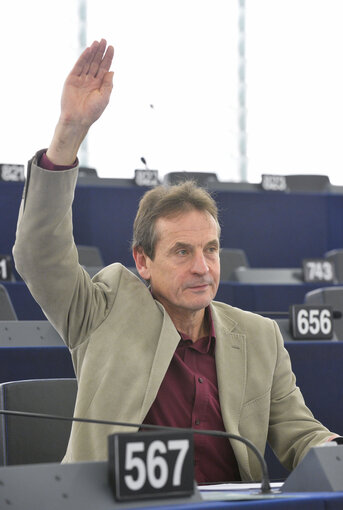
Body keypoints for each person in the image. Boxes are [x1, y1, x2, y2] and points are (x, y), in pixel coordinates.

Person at [13, 39, 339, 483]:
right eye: (182, 252)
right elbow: (38, 254)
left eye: (210, 249)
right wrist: (70, 128)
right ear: (142, 261)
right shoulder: (102, 311)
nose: (202, 267)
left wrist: (332, 448)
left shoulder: (259, 339)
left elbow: (302, 437)